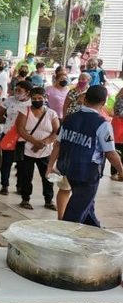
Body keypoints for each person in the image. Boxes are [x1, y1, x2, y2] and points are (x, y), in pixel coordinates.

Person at [48, 85, 123, 227]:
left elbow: (57, 144)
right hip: (88, 173)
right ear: (103, 103)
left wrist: (50, 166)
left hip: (69, 170)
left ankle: (96, 231)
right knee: (73, 215)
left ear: (85, 98)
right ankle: (63, 240)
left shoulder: (69, 119)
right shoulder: (102, 124)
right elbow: (111, 153)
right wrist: (121, 171)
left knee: (87, 204)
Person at [15, 87, 59, 210]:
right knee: (26, 176)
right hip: (27, 150)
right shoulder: (24, 111)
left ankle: (49, 200)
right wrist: (35, 142)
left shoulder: (51, 113)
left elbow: (56, 132)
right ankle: (25, 199)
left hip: (46, 151)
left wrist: (43, 143)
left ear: (45, 98)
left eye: (40, 98)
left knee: (47, 176)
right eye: (34, 98)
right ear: (30, 99)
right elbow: (21, 129)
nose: (37, 100)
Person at [0, 81, 32, 194]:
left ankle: (20, 186)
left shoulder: (31, 104)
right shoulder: (9, 100)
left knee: (22, 163)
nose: (16, 92)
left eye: (19, 91)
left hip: (23, 138)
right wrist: (8, 123)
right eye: (16, 90)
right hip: (8, 135)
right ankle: (4, 185)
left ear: (27, 93)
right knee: (6, 162)